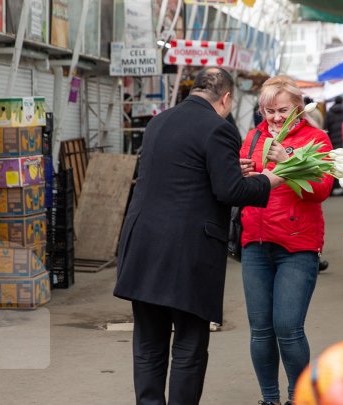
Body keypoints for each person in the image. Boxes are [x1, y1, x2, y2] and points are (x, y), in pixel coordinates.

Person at [114, 67, 284, 405]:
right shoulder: (218, 129)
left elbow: (182, 175)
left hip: (142, 245)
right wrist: (271, 179)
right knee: (189, 345)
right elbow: (229, 191)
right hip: (185, 251)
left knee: (148, 343)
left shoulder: (158, 123)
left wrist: (231, 170)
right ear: (225, 99)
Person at [239, 75, 333, 405]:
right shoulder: (252, 137)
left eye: (282, 110)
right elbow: (244, 188)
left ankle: (299, 397)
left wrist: (288, 160)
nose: (275, 118)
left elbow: (321, 190)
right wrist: (242, 173)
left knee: (288, 328)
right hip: (255, 242)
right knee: (260, 330)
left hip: (297, 245)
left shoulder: (316, 138)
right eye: (268, 111)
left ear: (298, 108)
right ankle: (269, 399)